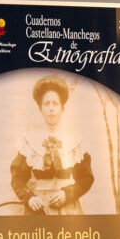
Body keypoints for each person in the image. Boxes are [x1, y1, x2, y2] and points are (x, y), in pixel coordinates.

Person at [10, 75, 94, 215]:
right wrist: (29, 198)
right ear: (40, 108)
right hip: (38, 209)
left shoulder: (75, 142)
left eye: (55, 104)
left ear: (62, 108)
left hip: (68, 210)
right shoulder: (29, 142)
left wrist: (67, 194)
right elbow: (17, 178)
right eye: (46, 104)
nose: (51, 109)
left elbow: (86, 178)